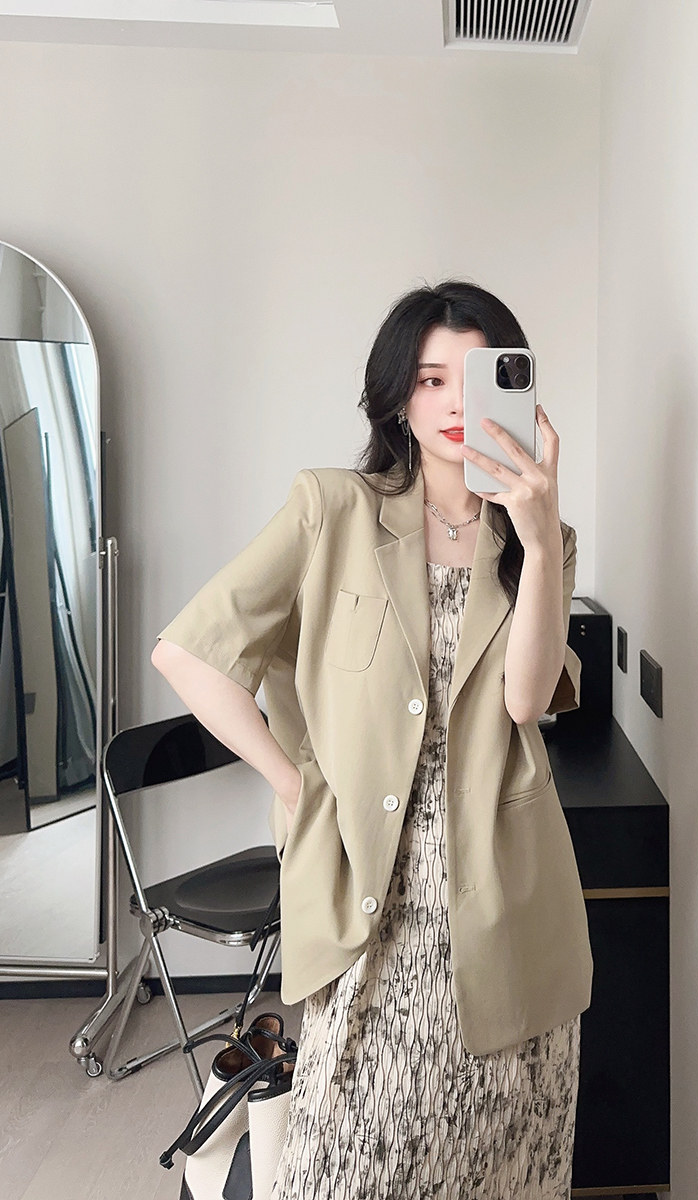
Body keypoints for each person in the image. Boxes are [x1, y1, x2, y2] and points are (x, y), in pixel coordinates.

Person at [151, 280, 593, 1199]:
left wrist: (542, 537)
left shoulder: (537, 540)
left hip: (503, 895)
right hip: (370, 901)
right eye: (430, 379)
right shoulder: (333, 509)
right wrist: (296, 784)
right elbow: (189, 653)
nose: (454, 402)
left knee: (502, 1164)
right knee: (345, 1165)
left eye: (475, 377)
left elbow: (524, 702)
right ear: (396, 398)